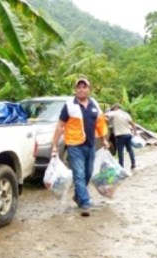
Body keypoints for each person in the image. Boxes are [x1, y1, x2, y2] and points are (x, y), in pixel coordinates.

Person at [51, 77, 109, 217]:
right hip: (74, 145)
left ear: (89, 89)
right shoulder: (69, 105)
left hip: (90, 145)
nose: (81, 89)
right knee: (79, 174)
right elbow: (60, 126)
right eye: (79, 87)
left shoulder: (94, 104)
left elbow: (100, 123)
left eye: (84, 87)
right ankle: (85, 202)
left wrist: (104, 140)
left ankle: (78, 196)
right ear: (75, 90)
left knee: (88, 173)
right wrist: (54, 145)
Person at [107, 103, 137, 170]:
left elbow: (105, 115)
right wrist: (135, 132)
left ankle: (121, 166)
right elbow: (132, 123)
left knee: (120, 151)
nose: (112, 110)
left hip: (120, 136)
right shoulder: (126, 114)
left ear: (116, 108)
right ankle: (133, 164)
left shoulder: (114, 113)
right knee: (130, 149)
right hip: (128, 134)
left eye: (113, 109)